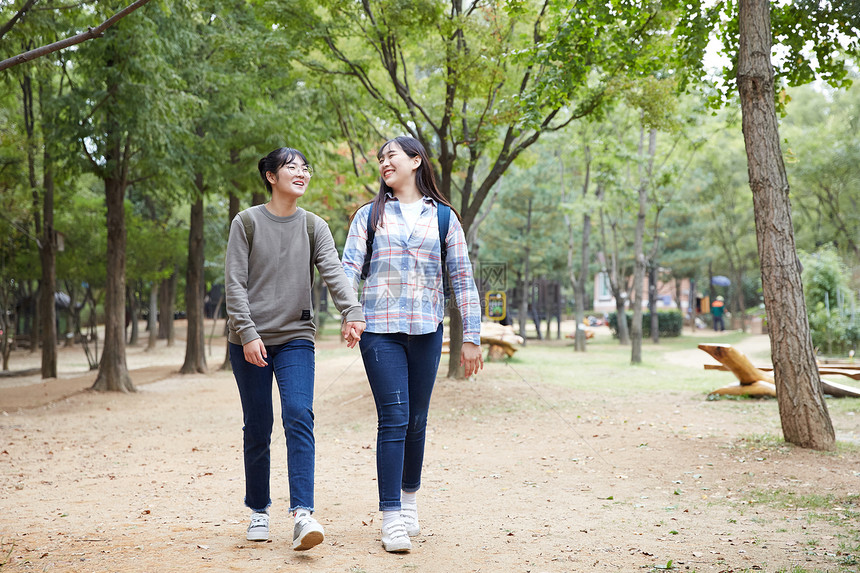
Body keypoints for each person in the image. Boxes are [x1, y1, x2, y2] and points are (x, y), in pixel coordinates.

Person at [341, 136, 484, 553]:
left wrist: (471, 336)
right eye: (380, 158)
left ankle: (408, 501)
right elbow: (348, 269)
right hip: (379, 330)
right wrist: (350, 314)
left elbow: (462, 279)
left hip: (426, 330)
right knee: (395, 416)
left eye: (392, 156)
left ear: (415, 161)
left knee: (417, 420)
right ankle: (390, 519)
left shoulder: (443, 219)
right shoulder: (368, 217)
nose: (384, 162)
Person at [225, 147, 366, 550]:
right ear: (271, 176)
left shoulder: (313, 226)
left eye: (305, 168)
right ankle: (258, 509)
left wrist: (351, 309)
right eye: (291, 167)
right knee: (257, 423)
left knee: (299, 414)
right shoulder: (247, 222)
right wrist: (248, 333)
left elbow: (334, 271)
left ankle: (303, 514)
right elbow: (234, 283)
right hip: (248, 341)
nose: (301, 173)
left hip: (295, 338)